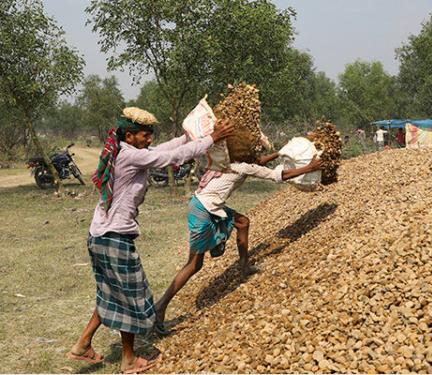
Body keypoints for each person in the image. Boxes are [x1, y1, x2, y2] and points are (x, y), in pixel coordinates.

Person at [66, 108, 234, 374]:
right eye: (145, 136)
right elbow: (169, 157)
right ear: (130, 136)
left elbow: (164, 150)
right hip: (115, 238)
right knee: (132, 296)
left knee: (110, 292)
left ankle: (82, 344)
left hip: (99, 235)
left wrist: (190, 135)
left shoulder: (123, 150)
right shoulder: (131, 155)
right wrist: (210, 139)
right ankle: (129, 360)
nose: (149, 140)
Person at [152, 150, 324, 335]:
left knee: (243, 222)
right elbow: (277, 175)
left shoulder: (230, 159)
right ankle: (160, 306)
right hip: (203, 209)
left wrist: (279, 153)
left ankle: (244, 268)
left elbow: (258, 161)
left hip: (206, 204)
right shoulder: (243, 166)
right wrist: (310, 168)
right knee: (194, 264)